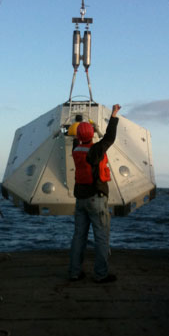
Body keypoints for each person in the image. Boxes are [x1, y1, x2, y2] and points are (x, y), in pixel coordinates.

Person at [69, 104, 121, 283]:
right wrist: (113, 115)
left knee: (78, 236)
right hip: (96, 199)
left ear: (78, 136)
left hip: (80, 200)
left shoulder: (75, 149)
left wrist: (79, 123)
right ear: (92, 135)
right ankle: (100, 274)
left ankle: (74, 273)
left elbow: (77, 136)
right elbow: (109, 137)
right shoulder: (95, 151)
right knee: (101, 237)